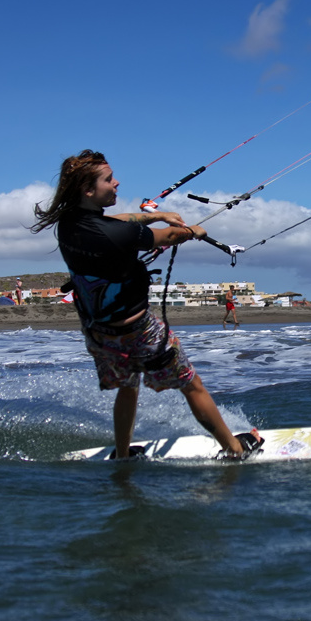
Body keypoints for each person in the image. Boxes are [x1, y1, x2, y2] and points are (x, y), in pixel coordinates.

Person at [31, 150, 261, 459]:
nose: (117, 183)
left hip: (99, 334)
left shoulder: (70, 222)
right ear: (88, 190)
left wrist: (157, 214)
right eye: (108, 179)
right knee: (192, 385)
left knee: (129, 386)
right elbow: (168, 237)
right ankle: (234, 449)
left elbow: (119, 221)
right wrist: (192, 232)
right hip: (140, 333)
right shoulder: (117, 235)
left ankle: (123, 453)